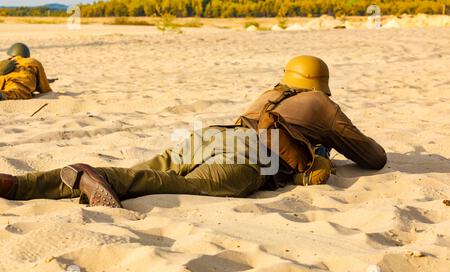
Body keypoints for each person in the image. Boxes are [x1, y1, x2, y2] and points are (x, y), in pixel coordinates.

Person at [0, 56, 386, 208]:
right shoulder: (321, 104)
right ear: (322, 84)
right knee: (163, 183)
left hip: (209, 136)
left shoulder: (270, 92)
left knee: (145, 168)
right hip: (250, 156)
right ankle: (87, 175)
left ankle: (21, 184)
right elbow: (371, 157)